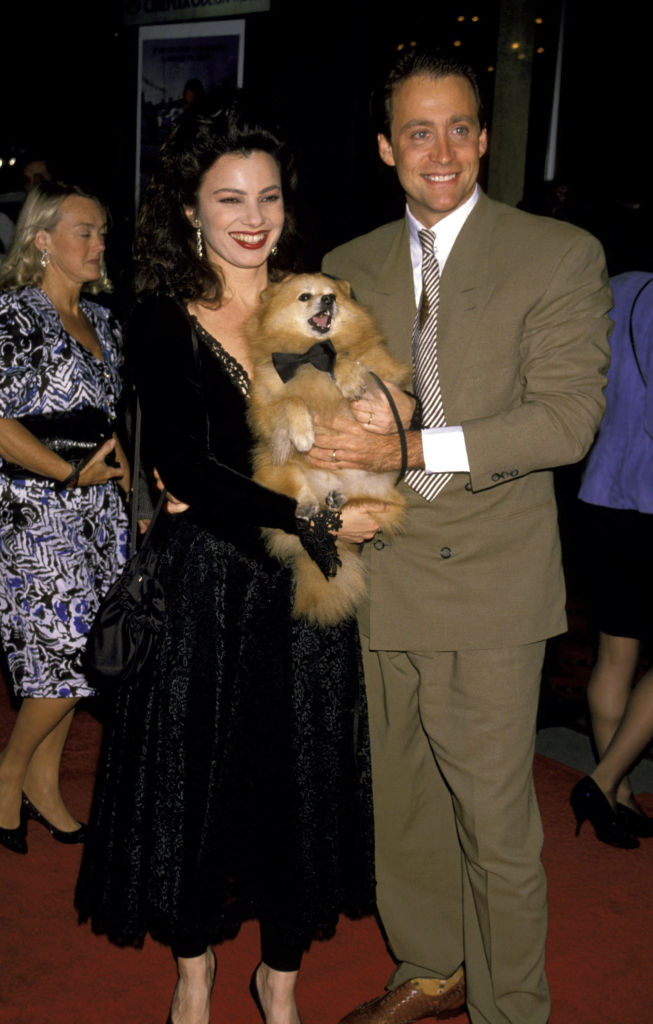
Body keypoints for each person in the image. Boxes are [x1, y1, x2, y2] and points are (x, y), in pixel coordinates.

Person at [316, 49, 612, 1024]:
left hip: (490, 582)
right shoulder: (345, 270)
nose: (437, 151)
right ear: (383, 148)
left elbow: (565, 420)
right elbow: (320, 419)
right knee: (400, 810)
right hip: (383, 570)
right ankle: (430, 968)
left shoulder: (555, 253)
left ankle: (511, 1005)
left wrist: (406, 442)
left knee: (492, 821)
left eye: (456, 129)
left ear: (483, 137)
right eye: (415, 131)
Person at [75, 106, 380, 1024]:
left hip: (307, 596)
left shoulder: (322, 301)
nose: (253, 218)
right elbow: (193, 471)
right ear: (190, 213)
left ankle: (279, 982)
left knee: (300, 784)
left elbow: (376, 408)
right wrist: (318, 518)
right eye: (229, 199)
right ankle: (196, 971)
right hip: (209, 591)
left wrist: (368, 486)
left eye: (269, 198)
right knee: (199, 789)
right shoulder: (163, 320)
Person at [0, 181, 129, 856]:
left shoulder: (104, 319)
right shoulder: (12, 316)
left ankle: (44, 787)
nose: (99, 243)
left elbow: (116, 417)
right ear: (42, 239)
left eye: (102, 231)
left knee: (85, 662)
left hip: (100, 510)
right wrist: (67, 473)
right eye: (85, 231)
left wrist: (127, 478)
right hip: (36, 511)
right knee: (63, 653)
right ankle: (8, 773)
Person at [571, 271, 653, 849]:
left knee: (615, 652)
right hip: (649, 497)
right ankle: (602, 781)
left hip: (600, 493)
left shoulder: (612, 286)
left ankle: (618, 798)